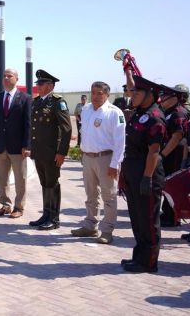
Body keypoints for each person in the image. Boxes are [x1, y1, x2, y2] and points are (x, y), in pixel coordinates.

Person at [120, 72, 166, 273]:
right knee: (137, 218)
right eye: (132, 90)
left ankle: (149, 262)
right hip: (133, 171)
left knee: (148, 219)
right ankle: (139, 256)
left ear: (150, 94)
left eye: (137, 91)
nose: (132, 94)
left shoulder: (155, 117)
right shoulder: (139, 112)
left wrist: (147, 178)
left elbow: (154, 151)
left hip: (146, 173)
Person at [70, 82, 126, 244]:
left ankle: (107, 230)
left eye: (99, 93)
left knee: (109, 196)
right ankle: (90, 225)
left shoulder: (114, 113)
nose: (95, 96)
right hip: (88, 157)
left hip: (106, 158)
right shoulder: (86, 110)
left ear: (107, 95)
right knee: (91, 194)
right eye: (93, 93)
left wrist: (115, 164)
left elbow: (120, 142)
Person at [0, 68, 32, 218]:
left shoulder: (25, 98)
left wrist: (27, 145)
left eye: (9, 76)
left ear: (16, 79)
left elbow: (28, 124)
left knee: (20, 178)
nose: (6, 78)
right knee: (2, 178)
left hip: (18, 147)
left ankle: (19, 207)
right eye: (4, 76)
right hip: (0, 146)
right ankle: (5, 205)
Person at [29, 69, 72, 230]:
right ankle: (46, 215)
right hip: (39, 152)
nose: (38, 86)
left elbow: (66, 129)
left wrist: (61, 153)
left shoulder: (57, 102)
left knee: (52, 184)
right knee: (45, 184)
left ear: (50, 85)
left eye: (41, 83)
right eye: (37, 83)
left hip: (52, 153)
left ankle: (54, 219)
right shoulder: (37, 101)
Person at [157, 84, 190, 227]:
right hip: (169, 153)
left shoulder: (178, 112)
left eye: (165, 96)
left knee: (172, 184)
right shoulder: (169, 111)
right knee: (167, 184)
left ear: (175, 98)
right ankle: (168, 213)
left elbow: (177, 136)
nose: (162, 99)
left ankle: (172, 217)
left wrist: (162, 155)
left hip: (174, 154)